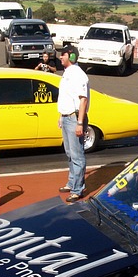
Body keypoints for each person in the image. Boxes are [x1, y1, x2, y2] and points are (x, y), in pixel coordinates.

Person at [57, 45, 90, 202]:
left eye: (62, 55)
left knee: (77, 155)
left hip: (75, 119)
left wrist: (79, 123)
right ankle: (72, 183)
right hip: (67, 117)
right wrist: (61, 116)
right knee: (70, 153)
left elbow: (83, 99)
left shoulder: (77, 74)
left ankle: (78, 189)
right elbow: (67, 97)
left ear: (70, 57)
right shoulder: (67, 73)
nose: (59, 57)